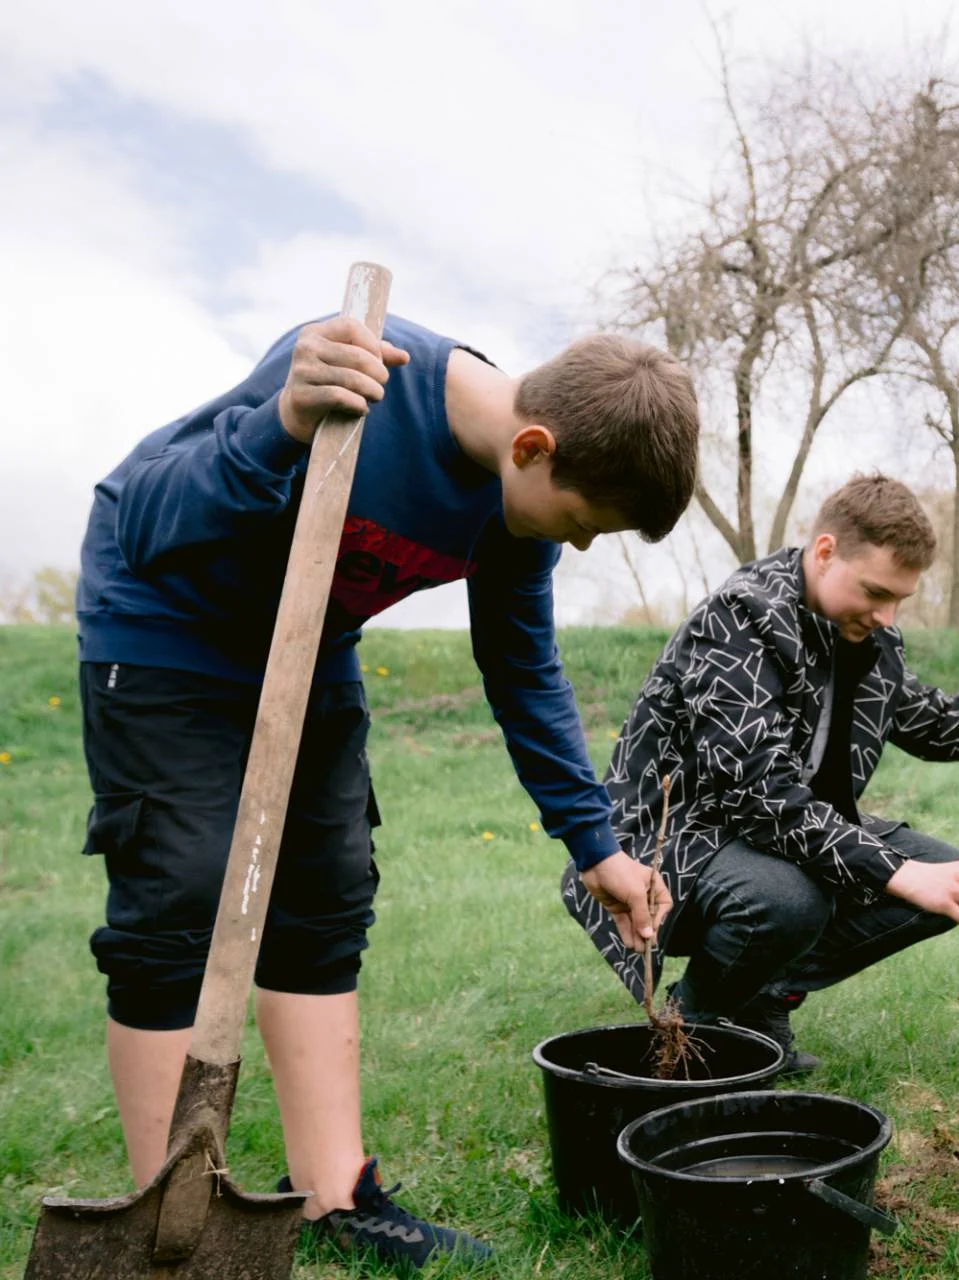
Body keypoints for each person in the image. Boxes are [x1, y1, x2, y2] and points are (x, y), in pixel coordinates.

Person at [75, 311, 701, 1266]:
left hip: (311, 640)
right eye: (582, 524)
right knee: (181, 892)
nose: (575, 547)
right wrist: (281, 423)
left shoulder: (514, 493)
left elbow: (522, 667)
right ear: (535, 446)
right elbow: (153, 522)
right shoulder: (349, 375)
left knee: (328, 883)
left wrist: (599, 849)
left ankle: (335, 1197)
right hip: (164, 620)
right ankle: (168, 1219)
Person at [564, 473, 959, 1072]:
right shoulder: (739, 620)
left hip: (773, 836)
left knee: (945, 881)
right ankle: (691, 1022)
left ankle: (761, 997)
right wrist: (893, 871)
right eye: (876, 592)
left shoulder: (870, 640)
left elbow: (943, 727)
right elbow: (760, 797)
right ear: (825, 552)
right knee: (789, 900)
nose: (887, 615)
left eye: (899, 599)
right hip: (672, 846)